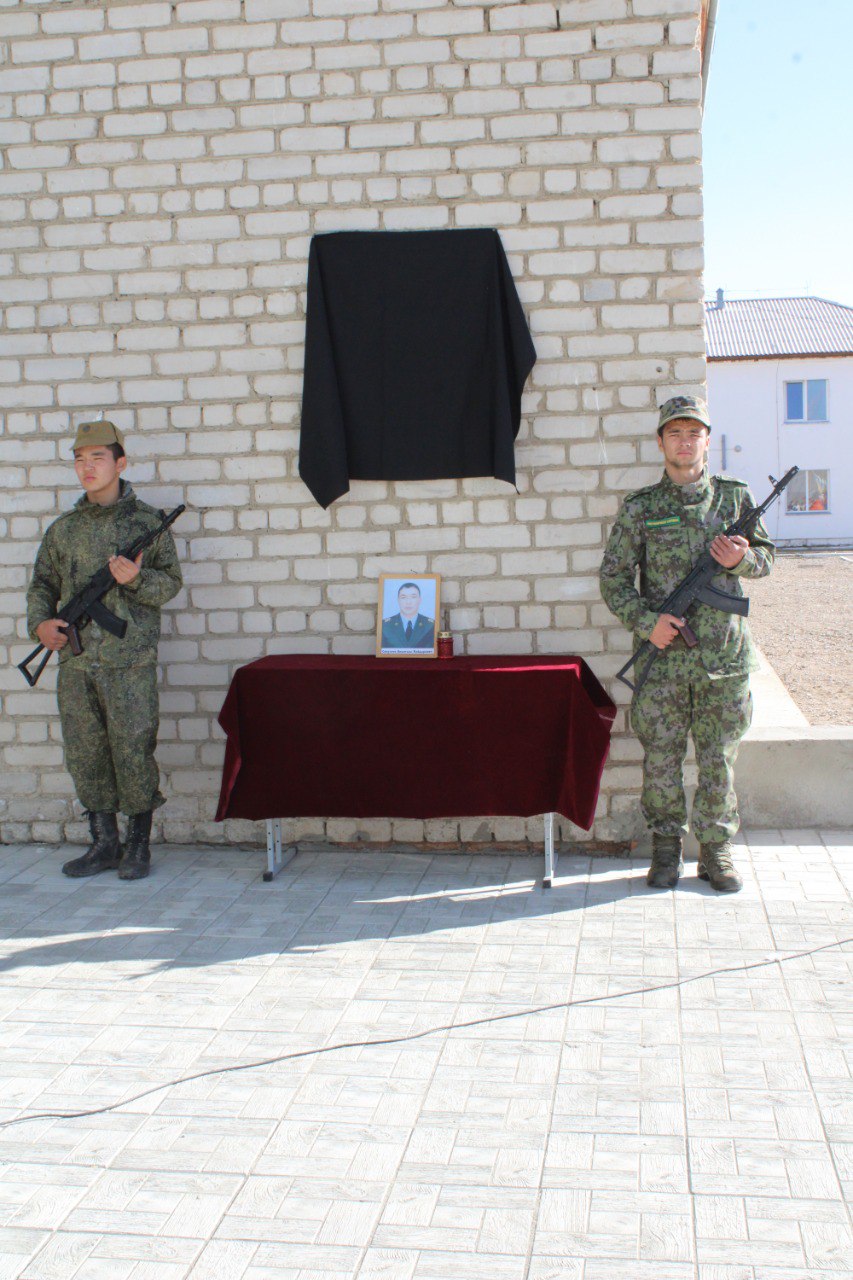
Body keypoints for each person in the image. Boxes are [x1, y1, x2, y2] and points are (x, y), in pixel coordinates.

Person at [599, 395, 775, 893]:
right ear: (660, 443)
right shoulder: (642, 508)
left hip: (725, 661)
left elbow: (767, 561)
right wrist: (646, 622)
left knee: (719, 758)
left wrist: (741, 560)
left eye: (693, 433)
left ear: (707, 440)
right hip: (664, 663)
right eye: (675, 433)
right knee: (661, 760)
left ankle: (716, 852)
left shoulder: (735, 500)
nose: (684, 441)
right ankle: (665, 849)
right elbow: (613, 579)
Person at [26, 419, 182, 881]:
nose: (86, 467)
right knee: (85, 752)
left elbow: (170, 585)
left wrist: (138, 580)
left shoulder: (147, 523)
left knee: (133, 750)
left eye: (97, 457)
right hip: (75, 663)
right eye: (79, 458)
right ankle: (103, 842)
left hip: (128, 660)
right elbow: (42, 585)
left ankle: (137, 845)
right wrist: (41, 625)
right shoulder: (64, 530)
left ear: (120, 463)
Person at [381, 582, 435, 649]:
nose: (408, 602)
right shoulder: (385, 625)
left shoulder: (430, 625)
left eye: (413, 597)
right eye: (403, 597)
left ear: (419, 600)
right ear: (398, 600)